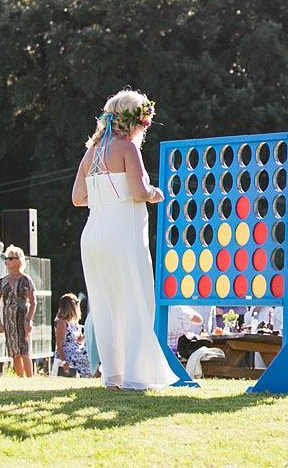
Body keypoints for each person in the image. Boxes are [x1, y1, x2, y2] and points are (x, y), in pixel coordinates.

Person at [71, 89, 176, 390]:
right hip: (122, 236)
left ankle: (112, 376)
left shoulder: (90, 153)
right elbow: (140, 191)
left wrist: (104, 192)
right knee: (134, 302)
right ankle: (136, 376)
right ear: (135, 121)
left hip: (93, 236)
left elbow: (78, 198)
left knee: (105, 306)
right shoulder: (128, 148)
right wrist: (156, 194)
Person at [0, 245, 36, 377]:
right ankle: (20, 379)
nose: (7, 261)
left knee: (24, 349)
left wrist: (29, 320)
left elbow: (33, 302)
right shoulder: (2, 281)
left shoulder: (26, 280)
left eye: (11, 258)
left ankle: (30, 379)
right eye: (6, 258)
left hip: (22, 317)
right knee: (13, 351)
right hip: (8, 320)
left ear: (19, 260)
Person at [54, 293, 92, 377]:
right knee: (88, 357)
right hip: (66, 353)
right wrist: (64, 362)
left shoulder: (73, 322)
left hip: (77, 350)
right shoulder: (61, 322)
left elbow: (79, 341)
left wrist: (88, 332)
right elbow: (59, 345)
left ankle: (92, 376)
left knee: (92, 353)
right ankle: (92, 376)